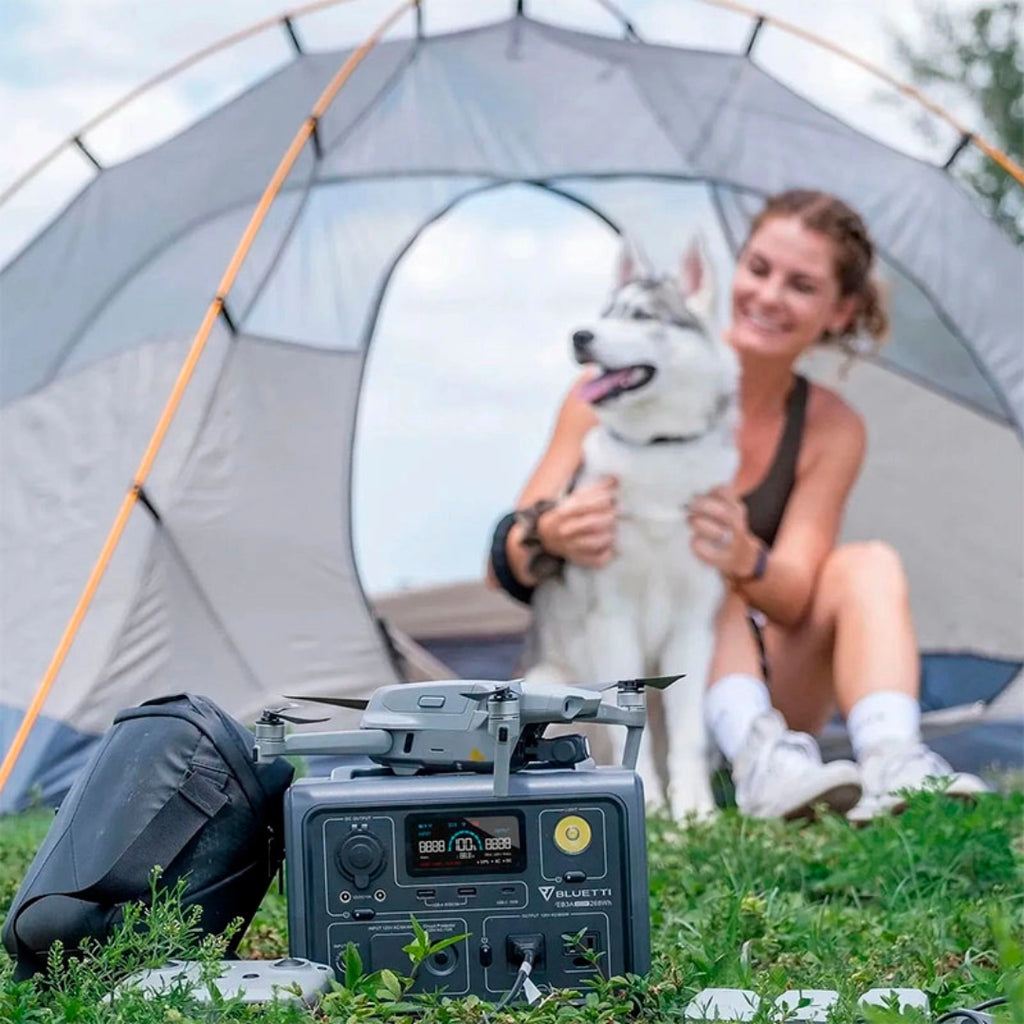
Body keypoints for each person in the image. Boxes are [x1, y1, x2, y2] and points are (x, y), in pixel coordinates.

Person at [487, 189, 987, 822]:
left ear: (839, 311)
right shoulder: (616, 383)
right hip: (635, 675)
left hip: (764, 675)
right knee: (692, 555)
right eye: (758, 269)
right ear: (732, 271)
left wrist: (743, 552)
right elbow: (501, 559)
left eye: (801, 285)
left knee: (865, 563)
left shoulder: (831, 427)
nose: (769, 296)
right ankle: (753, 764)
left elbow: (797, 593)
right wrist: (550, 534)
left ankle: (896, 763)